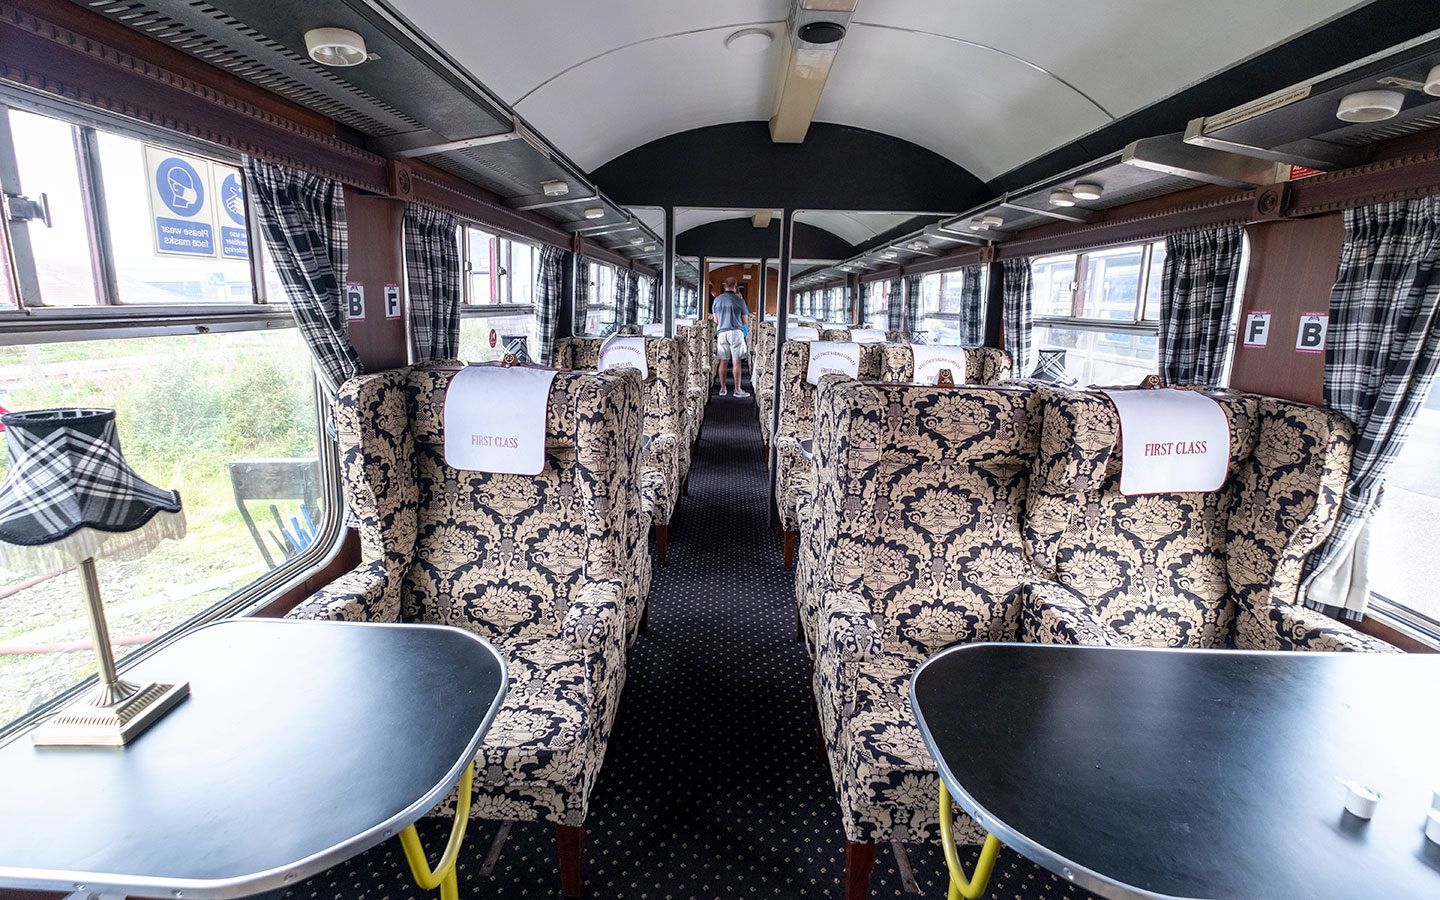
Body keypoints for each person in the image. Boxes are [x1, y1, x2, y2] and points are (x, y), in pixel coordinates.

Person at [710, 278, 750, 397]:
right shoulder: (740, 301)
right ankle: (737, 390)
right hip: (736, 332)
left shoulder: (717, 300)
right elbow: (745, 321)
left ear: (724, 286)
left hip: (722, 333)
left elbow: (716, 320)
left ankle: (723, 389)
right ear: (736, 286)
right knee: (736, 361)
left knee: (723, 361)